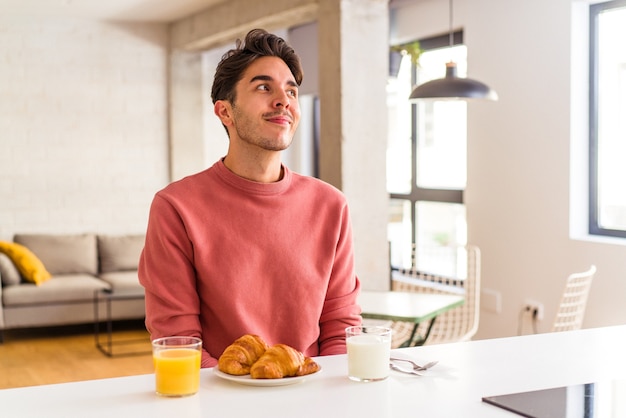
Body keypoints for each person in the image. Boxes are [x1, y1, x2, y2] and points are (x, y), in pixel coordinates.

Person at [138, 28, 362, 368]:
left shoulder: (331, 205)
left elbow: (341, 329)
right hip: (221, 398)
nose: (283, 100)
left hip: (314, 394)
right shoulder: (176, 207)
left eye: (291, 90)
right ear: (225, 112)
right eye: (263, 87)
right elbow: (178, 340)